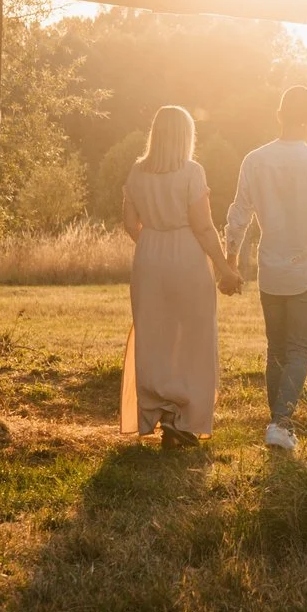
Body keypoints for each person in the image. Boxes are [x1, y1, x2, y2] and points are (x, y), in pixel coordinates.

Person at [223, 85, 307, 451]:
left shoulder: (254, 160)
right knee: (298, 350)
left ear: (279, 115)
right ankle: (280, 423)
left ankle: (278, 424)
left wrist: (231, 259)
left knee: (276, 349)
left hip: (271, 272)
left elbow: (239, 214)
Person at [119, 104, 241, 449]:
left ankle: (160, 411)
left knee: (154, 335)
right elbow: (203, 227)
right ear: (186, 136)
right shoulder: (191, 172)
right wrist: (225, 268)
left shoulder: (137, 172)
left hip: (149, 257)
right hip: (187, 256)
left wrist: (152, 244)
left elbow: (130, 224)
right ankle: (183, 418)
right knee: (192, 337)